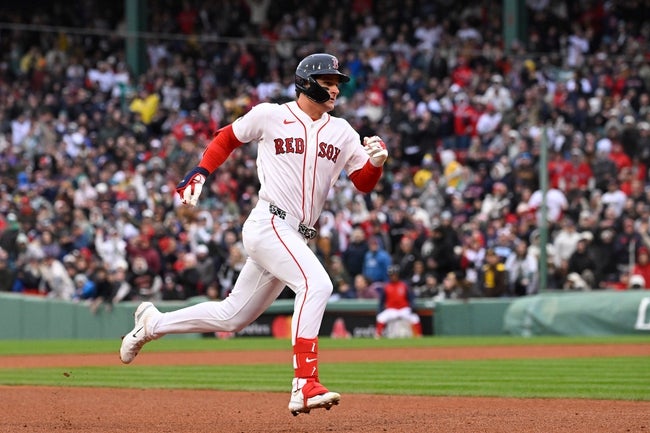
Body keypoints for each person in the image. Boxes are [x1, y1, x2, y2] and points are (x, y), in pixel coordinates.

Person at [119, 53, 389, 416]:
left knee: (232, 316)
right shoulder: (271, 115)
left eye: (337, 82)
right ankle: (304, 383)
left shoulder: (342, 132)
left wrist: (376, 163)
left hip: (296, 235)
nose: (336, 89)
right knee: (316, 284)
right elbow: (227, 138)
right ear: (307, 83)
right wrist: (201, 171)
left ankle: (153, 324)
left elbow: (363, 183)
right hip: (269, 222)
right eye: (328, 81)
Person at [374, 265, 423, 338]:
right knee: (380, 317)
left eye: (395, 275)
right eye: (391, 275)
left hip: (404, 309)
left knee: (415, 318)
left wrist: (413, 306)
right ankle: (378, 336)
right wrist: (380, 310)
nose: (393, 277)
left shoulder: (404, 285)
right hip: (391, 310)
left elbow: (411, 298)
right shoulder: (386, 286)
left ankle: (419, 336)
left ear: (398, 275)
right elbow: (382, 301)